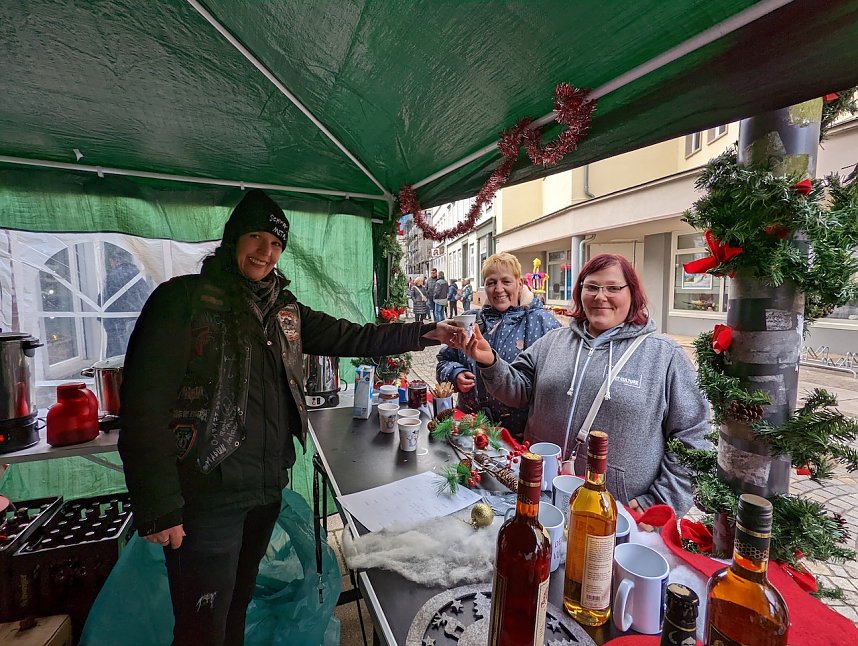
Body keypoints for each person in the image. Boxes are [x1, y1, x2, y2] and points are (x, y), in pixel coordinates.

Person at [117, 189, 457, 646]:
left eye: (276, 244)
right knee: (201, 627)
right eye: (256, 238)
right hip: (207, 494)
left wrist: (426, 332)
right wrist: (159, 504)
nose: (266, 252)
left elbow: (354, 336)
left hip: (265, 487)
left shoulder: (285, 310)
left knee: (238, 605)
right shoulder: (182, 301)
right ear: (233, 238)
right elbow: (143, 404)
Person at [450, 253, 709, 516]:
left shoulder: (664, 356)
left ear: (632, 293)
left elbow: (694, 435)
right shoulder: (553, 342)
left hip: (616, 513)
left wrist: (661, 500)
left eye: (613, 288)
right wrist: (490, 361)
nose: (600, 296)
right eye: (592, 287)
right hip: (539, 494)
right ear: (580, 291)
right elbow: (516, 390)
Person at [437, 252, 561, 441]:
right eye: (491, 282)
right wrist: (455, 374)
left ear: (520, 283)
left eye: (506, 281)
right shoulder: (470, 320)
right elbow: (444, 360)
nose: (498, 289)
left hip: (517, 436)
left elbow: (553, 382)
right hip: (469, 428)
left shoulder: (543, 323)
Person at [98, 247, 152, 358]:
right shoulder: (137, 275)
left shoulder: (113, 276)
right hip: (135, 318)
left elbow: (105, 298)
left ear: (115, 260)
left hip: (116, 321)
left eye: (111, 261)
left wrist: (102, 316)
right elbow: (144, 295)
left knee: (117, 354)